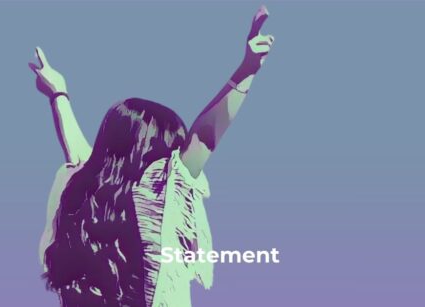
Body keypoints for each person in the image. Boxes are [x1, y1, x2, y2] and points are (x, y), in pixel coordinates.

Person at [29, 6, 274, 307]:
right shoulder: (157, 196)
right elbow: (206, 137)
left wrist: (59, 93)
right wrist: (246, 71)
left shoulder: (80, 193)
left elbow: (77, 150)